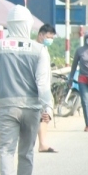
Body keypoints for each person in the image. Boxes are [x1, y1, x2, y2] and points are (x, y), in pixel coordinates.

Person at [0, 6, 53, 175]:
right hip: (32, 107)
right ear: (28, 25)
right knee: (26, 152)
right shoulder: (39, 49)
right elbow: (43, 84)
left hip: (7, 105)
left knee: (6, 150)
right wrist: (47, 107)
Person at [35, 23, 58, 152]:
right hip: (39, 90)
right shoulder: (36, 50)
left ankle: (42, 143)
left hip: (43, 88)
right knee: (44, 114)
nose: (50, 40)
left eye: (52, 38)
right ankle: (41, 143)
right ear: (41, 35)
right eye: (48, 37)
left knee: (43, 116)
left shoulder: (44, 49)